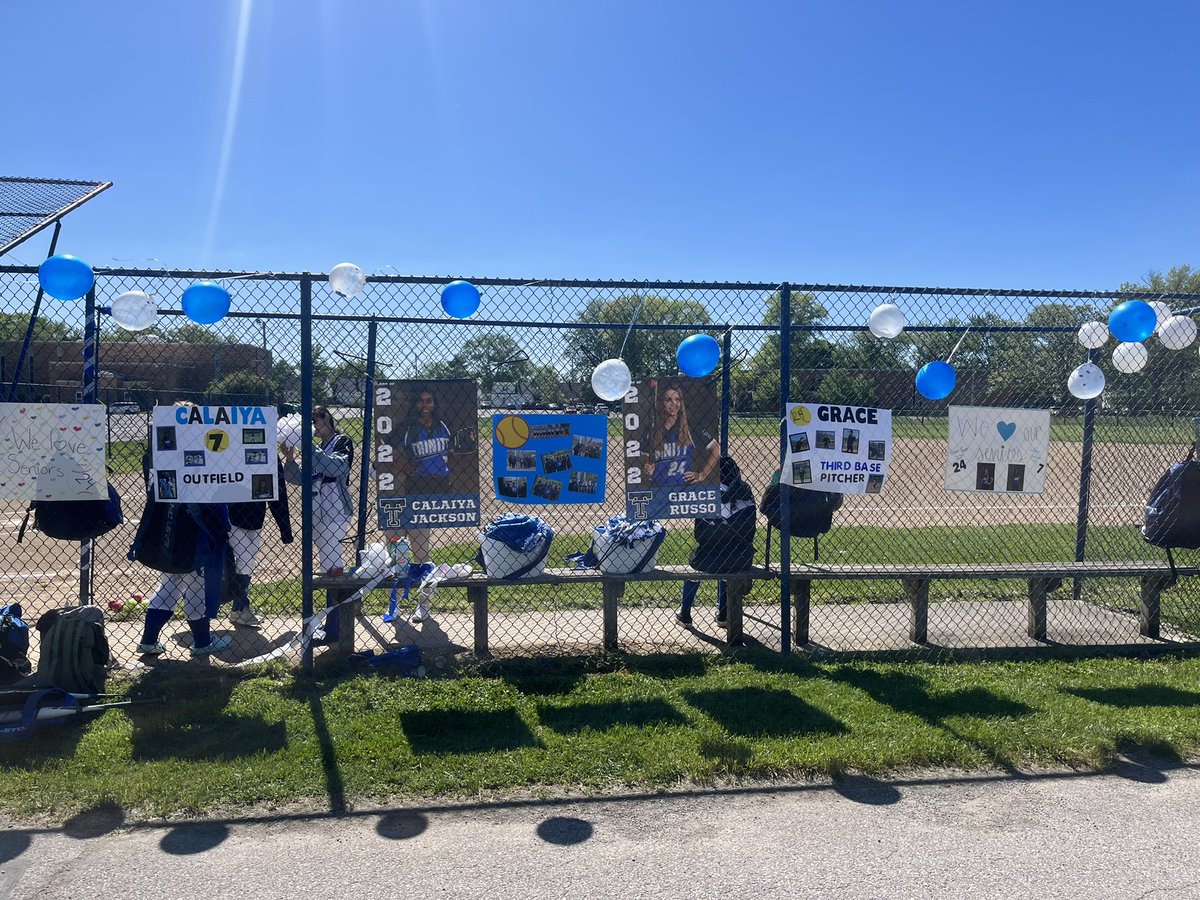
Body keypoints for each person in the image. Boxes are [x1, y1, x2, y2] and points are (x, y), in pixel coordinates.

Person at [677, 456, 756, 627]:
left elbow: (699, 535)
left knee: (696, 563)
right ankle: (723, 614)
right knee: (727, 555)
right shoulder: (747, 493)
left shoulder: (708, 494)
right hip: (741, 558)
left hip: (710, 558)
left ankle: (685, 614)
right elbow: (751, 531)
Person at [282, 405, 353, 576]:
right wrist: (290, 460)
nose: (312, 427)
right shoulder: (315, 448)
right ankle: (333, 591)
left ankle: (337, 591)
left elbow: (336, 468)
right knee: (326, 558)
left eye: (314, 421)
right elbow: (299, 478)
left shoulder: (341, 441)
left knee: (331, 556)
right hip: (315, 507)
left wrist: (310, 448)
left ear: (326, 418)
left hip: (336, 506)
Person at [226, 459, 293, 628]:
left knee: (248, 563)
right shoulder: (230, 449)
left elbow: (278, 490)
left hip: (255, 518)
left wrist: (285, 529)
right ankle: (241, 607)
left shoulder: (267, 452)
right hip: (229, 517)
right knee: (246, 560)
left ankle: (238, 609)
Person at [642, 383, 719, 487]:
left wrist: (702, 475)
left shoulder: (690, 426)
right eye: (668, 400)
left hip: (683, 490)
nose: (674, 404)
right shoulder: (652, 429)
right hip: (658, 488)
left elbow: (717, 449)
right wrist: (648, 467)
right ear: (661, 402)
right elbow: (645, 456)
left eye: (677, 399)